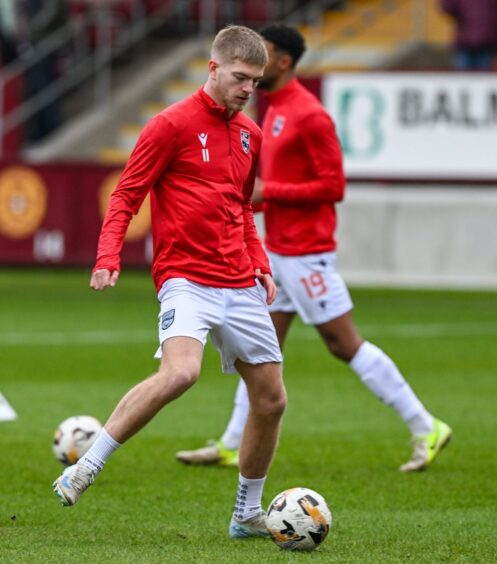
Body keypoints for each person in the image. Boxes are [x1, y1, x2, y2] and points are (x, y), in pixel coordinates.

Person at [176, 23, 452, 474]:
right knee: (257, 350)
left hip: (306, 252)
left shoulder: (309, 113)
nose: (255, 64)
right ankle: (230, 443)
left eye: (263, 53)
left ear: (283, 61)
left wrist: (270, 191)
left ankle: (426, 426)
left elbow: (334, 185)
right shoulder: (271, 108)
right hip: (278, 252)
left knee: (344, 344)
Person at [52, 25, 287, 539]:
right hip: (187, 279)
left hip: (240, 281)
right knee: (181, 373)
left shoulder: (251, 135)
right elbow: (126, 194)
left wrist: (260, 262)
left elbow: (241, 208)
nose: (248, 89)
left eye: (256, 81)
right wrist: (107, 254)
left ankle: (247, 513)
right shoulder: (170, 125)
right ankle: (86, 466)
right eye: (240, 77)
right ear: (213, 68)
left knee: (271, 400)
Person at [440, 0, 497, 71]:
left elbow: (447, 7)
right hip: (482, 40)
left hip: (473, 40)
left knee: (464, 79)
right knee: (481, 78)